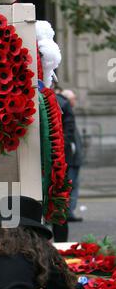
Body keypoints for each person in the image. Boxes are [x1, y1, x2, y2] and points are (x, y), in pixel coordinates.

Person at [56, 89, 84, 222]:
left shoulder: (67, 110)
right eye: (73, 98)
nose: (74, 101)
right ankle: (68, 212)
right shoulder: (65, 107)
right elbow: (69, 137)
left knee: (72, 185)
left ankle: (68, 211)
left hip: (73, 158)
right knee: (70, 185)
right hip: (70, 159)